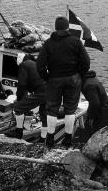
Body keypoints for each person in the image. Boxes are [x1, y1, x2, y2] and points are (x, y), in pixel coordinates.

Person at [36, 16, 90, 148]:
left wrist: (47, 77)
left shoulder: (48, 43)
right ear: (67, 27)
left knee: (52, 109)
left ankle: (49, 139)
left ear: (56, 28)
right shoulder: (76, 41)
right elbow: (86, 62)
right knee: (70, 109)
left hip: (54, 79)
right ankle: (67, 139)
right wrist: (80, 75)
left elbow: (40, 65)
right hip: (72, 79)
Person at [13, 52, 47, 141]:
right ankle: (43, 139)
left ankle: (18, 133)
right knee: (44, 114)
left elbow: (21, 84)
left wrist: (19, 98)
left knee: (18, 108)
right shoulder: (34, 64)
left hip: (42, 92)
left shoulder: (23, 65)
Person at [82, 70, 108, 135]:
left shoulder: (89, 85)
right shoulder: (92, 79)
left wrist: (91, 118)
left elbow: (95, 103)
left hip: (103, 119)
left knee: (98, 140)